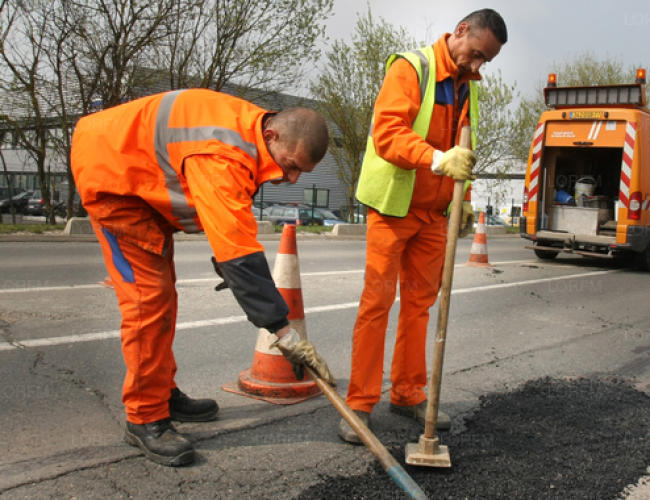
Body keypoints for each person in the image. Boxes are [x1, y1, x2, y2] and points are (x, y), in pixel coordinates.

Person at [71, 88, 336, 466]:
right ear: (274, 136)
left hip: (135, 179)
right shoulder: (223, 155)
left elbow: (228, 221)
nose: (290, 178)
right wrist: (286, 334)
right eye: (291, 165)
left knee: (163, 300)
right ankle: (145, 417)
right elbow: (238, 251)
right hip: (114, 185)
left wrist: (233, 261)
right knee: (149, 304)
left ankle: (162, 392)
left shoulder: (253, 132)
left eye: (299, 173)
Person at [339, 9, 507, 443]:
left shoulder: (468, 89)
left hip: (434, 217)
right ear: (461, 31)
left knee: (419, 306)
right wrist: (435, 159)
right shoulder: (411, 68)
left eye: (486, 61)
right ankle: (359, 404)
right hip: (393, 209)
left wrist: (463, 200)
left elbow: (463, 152)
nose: (477, 66)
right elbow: (388, 133)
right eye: (475, 55)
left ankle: (409, 392)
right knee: (377, 304)